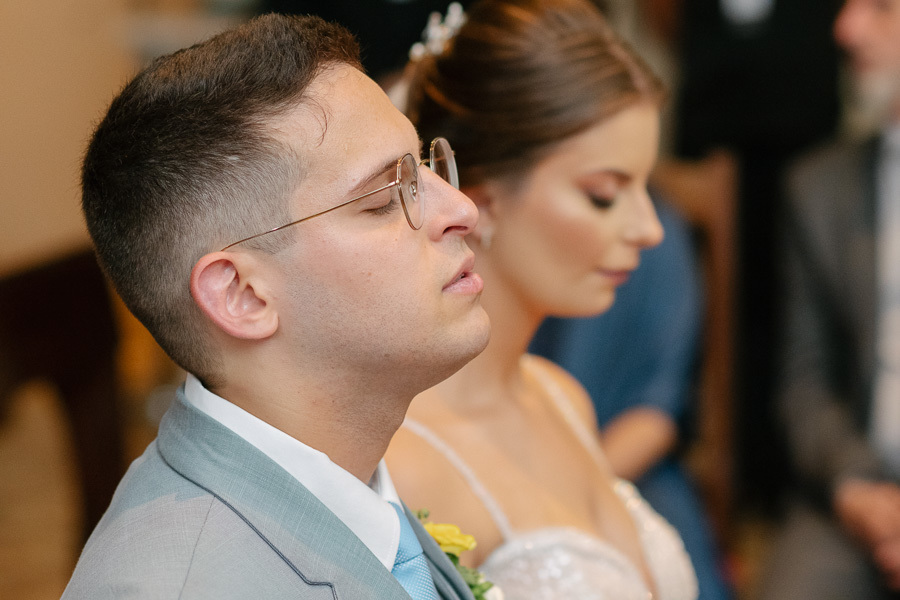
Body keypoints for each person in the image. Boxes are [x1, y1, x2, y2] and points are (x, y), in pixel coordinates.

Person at [62, 13, 491, 600]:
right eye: (387, 196)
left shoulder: (348, 480)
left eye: (425, 167)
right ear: (242, 295)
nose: (461, 209)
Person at [385, 1, 699, 598]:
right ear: (480, 197)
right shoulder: (406, 460)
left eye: (645, 186)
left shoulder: (563, 398)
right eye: (604, 195)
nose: (650, 230)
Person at [758, 0, 900, 598]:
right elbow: (802, 382)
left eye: (883, 7)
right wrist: (858, 488)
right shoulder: (818, 188)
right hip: (857, 486)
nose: (846, 28)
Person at [529, 195, 733, 600]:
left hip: (627, 470)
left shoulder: (660, 245)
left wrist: (567, 501)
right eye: (602, 193)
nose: (648, 229)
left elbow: (657, 410)